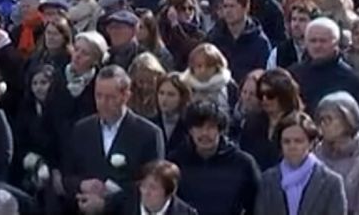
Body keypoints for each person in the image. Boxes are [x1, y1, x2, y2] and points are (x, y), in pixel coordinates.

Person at [63, 65, 166, 214]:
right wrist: (81, 185)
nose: (103, 102)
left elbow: (153, 185)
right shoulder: (81, 129)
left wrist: (108, 203)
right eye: (98, 96)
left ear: (126, 96)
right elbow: (67, 175)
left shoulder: (148, 134)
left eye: (110, 97)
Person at [168, 100, 260, 215]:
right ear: (190, 130)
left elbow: (256, 205)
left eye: (210, 127)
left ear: (220, 130)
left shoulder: (243, 163)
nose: (204, 133)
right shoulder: (175, 161)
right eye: (199, 127)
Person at [253, 111, 347, 215]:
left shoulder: (331, 182)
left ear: (311, 144)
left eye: (298, 141)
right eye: (287, 141)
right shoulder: (268, 181)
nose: (292, 146)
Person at [313, 91, 359, 215]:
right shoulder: (315, 155)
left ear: (348, 120)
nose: (323, 125)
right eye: (321, 120)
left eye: (328, 119)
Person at [289, 17, 359, 110]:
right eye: (313, 41)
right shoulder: (294, 75)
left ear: (336, 43)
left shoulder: (350, 79)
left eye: (323, 41)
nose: (317, 46)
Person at [135, 160, 200, 215]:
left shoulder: (187, 213)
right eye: (143, 185)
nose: (146, 192)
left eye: (153, 188)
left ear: (169, 193)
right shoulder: (129, 207)